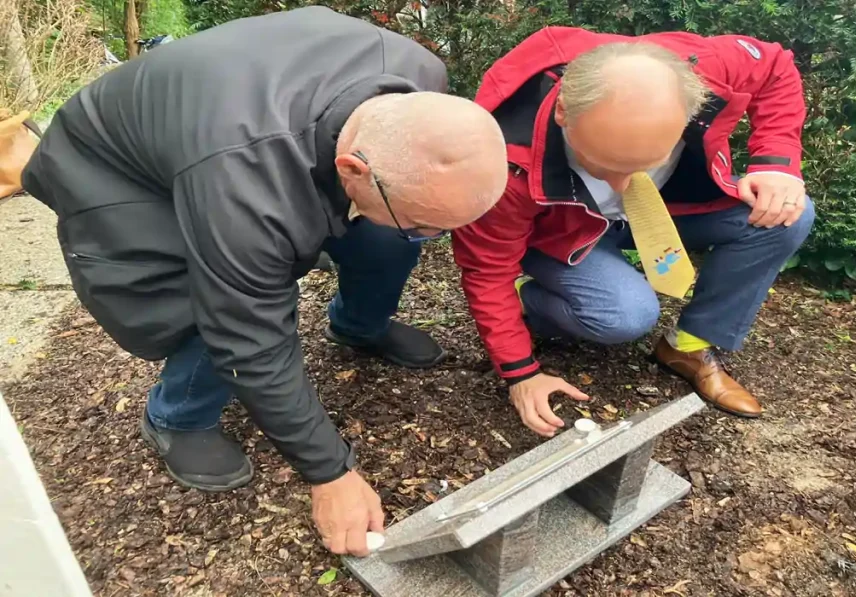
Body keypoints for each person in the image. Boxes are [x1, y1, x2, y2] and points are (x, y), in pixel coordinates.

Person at [21, 7, 509, 557]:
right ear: (351, 170)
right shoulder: (244, 181)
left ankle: (358, 326)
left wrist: (403, 225)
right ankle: (176, 417)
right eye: (424, 224)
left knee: (387, 237)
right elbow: (246, 329)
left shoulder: (420, 74)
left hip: (237, 127)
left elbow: (376, 203)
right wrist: (330, 473)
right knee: (208, 304)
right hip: (114, 166)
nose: (431, 238)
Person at [452, 27, 814, 436]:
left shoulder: (704, 70)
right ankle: (530, 301)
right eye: (600, 163)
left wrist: (775, 163)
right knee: (625, 317)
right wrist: (519, 372)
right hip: (561, 233)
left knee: (786, 212)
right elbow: (487, 270)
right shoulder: (503, 161)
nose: (624, 186)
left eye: (645, 164)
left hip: (664, 209)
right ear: (563, 112)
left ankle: (689, 347)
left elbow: (775, 66)